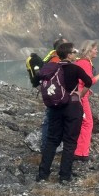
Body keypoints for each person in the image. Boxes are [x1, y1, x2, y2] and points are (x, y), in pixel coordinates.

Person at [37, 41, 92, 183]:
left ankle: (43, 174)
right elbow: (88, 82)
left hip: (55, 107)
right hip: (72, 107)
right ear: (69, 55)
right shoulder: (75, 69)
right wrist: (80, 94)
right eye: (74, 52)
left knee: (52, 140)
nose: (76, 54)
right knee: (70, 141)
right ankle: (64, 176)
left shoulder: (52, 68)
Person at [74, 41, 99, 164]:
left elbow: (80, 81)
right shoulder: (85, 63)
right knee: (87, 123)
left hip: (77, 95)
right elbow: (90, 81)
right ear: (89, 50)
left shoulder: (79, 61)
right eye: (95, 49)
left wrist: (88, 90)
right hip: (81, 97)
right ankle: (81, 152)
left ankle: (77, 150)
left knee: (80, 122)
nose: (97, 51)